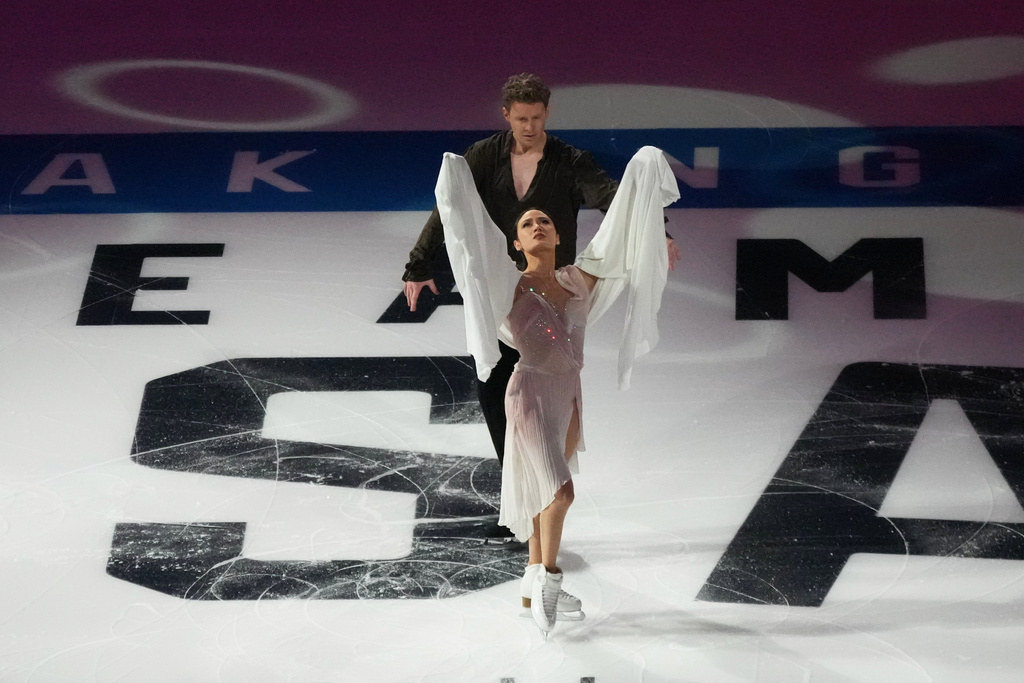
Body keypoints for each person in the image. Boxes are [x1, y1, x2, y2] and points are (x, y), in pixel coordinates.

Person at [401, 73, 681, 542]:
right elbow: (448, 208)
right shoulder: (483, 157)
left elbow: (615, 200)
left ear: (546, 114)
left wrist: (660, 229)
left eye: (536, 118)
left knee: (545, 399)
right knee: (494, 395)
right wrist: (418, 263)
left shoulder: (570, 162)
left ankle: (541, 500)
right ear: (506, 114)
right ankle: (524, 501)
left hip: (550, 295)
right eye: (520, 118)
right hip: (502, 293)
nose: (528, 127)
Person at [436, 146, 679, 636]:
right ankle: (547, 577)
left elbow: (616, 235)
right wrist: (459, 184)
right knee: (559, 493)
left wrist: (644, 176)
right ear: (518, 244)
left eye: (544, 219)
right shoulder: (510, 286)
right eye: (527, 224)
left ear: (560, 234)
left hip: (568, 399)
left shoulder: (577, 281)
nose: (537, 224)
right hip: (527, 396)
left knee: (539, 497)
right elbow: (472, 244)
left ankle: (530, 592)